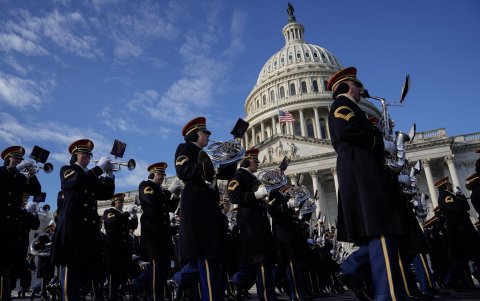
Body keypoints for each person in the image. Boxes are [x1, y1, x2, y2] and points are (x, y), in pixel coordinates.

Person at [326, 67, 407, 300]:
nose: (361, 89)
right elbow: (347, 131)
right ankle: (388, 295)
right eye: (356, 85)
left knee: (382, 232)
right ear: (344, 86)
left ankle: (351, 268)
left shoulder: (352, 107)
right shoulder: (342, 106)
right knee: (381, 230)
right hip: (361, 172)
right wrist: (379, 144)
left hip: (364, 169)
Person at [51, 139, 115, 301]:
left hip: (88, 233)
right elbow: (78, 180)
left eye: (89, 154)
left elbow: (105, 193)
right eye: (84, 153)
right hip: (73, 230)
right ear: (75, 155)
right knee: (70, 279)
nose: (88, 156)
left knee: (85, 277)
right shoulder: (68, 169)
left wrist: (109, 175)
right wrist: (99, 168)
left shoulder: (90, 176)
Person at [174, 117, 228, 301]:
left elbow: (225, 174)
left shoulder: (207, 155)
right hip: (197, 207)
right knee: (206, 257)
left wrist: (229, 158)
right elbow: (184, 172)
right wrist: (206, 162)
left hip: (209, 207)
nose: (208, 136)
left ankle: (183, 281)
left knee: (212, 257)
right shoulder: (186, 149)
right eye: (205, 132)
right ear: (195, 134)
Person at [227, 148, 276, 301]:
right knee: (261, 260)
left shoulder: (252, 177)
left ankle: (237, 280)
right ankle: (267, 296)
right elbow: (234, 196)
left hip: (258, 222)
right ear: (248, 161)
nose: (258, 165)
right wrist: (256, 195)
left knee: (261, 260)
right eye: (256, 161)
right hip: (251, 223)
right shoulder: (239, 175)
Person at [0, 146, 41, 300]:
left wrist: (31, 175)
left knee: (8, 270)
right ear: (7, 159)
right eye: (15, 158)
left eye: (20, 159)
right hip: (1, 225)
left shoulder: (20, 178)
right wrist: (15, 169)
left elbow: (36, 191)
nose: (18, 160)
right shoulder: (2, 172)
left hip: (12, 230)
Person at [138, 162, 180, 301]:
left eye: (163, 174)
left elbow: (169, 208)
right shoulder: (146, 186)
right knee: (156, 274)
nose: (163, 177)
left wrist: (175, 196)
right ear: (152, 174)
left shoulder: (160, 191)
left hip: (163, 238)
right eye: (160, 174)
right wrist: (168, 192)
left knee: (162, 274)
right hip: (153, 239)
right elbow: (151, 200)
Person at [436, 176, 480, 289]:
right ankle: (448, 279)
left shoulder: (447, 196)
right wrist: (460, 196)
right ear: (446, 186)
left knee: (467, 259)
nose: (451, 186)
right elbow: (459, 206)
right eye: (450, 185)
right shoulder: (446, 196)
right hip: (462, 232)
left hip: (461, 232)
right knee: (467, 258)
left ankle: (449, 279)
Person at [103, 193, 138, 301]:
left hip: (123, 250)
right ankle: (111, 297)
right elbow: (113, 221)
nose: (121, 204)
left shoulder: (121, 215)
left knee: (122, 275)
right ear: (114, 203)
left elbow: (133, 225)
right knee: (113, 276)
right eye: (119, 202)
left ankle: (119, 294)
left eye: (122, 202)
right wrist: (126, 213)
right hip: (113, 249)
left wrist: (133, 215)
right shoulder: (109, 212)